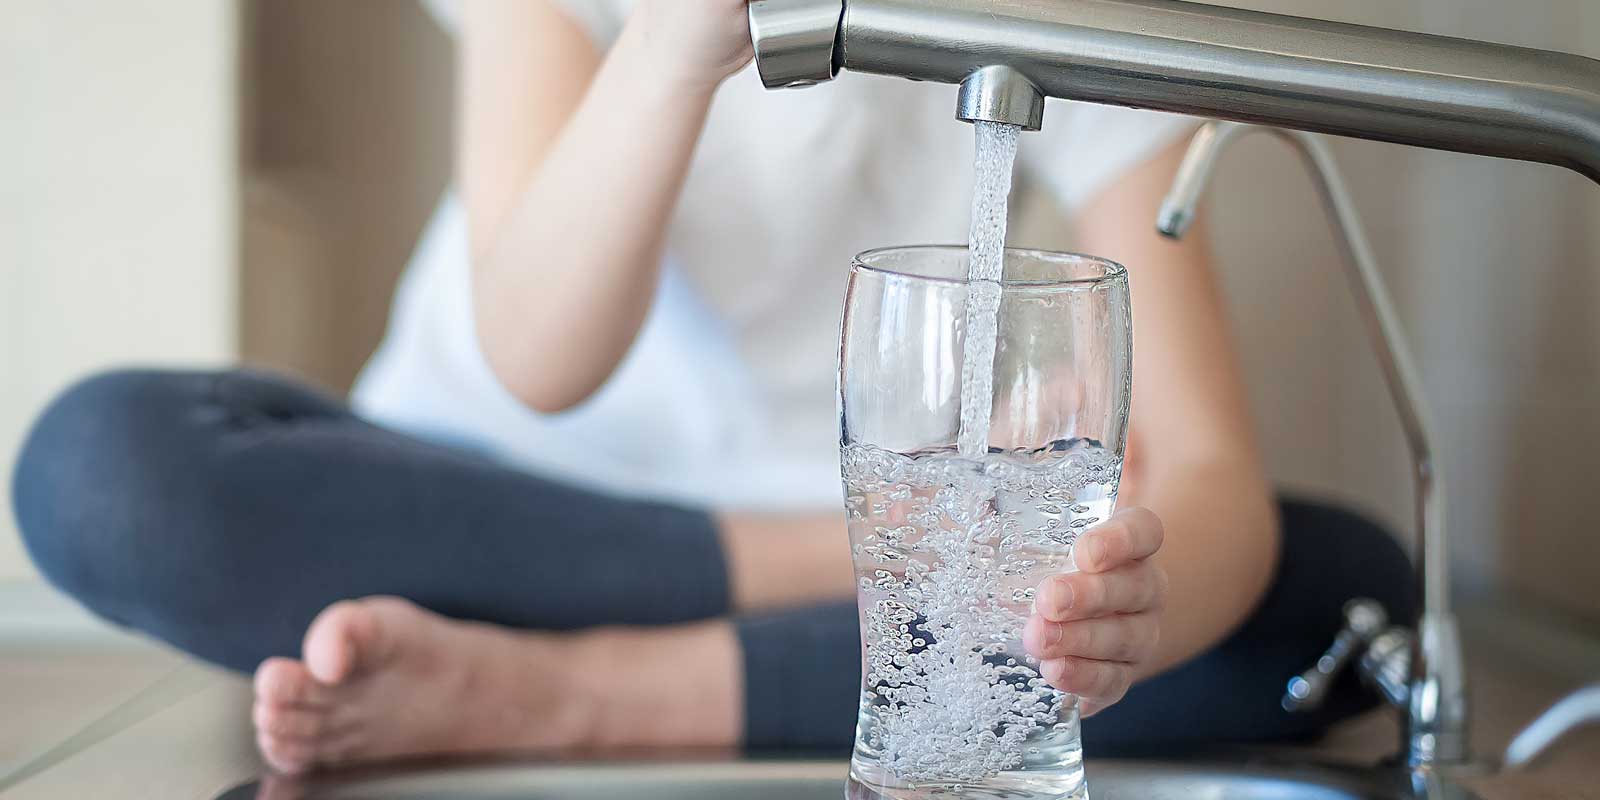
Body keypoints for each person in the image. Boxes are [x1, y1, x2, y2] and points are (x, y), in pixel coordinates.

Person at [12, 0, 1414, 777]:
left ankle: (550, 697)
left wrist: (1126, 602)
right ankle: (731, 637)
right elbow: (539, 361)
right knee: (108, 467)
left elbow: (1210, 473)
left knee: (1344, 597)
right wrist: (672, 44)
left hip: (889, 555)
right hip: (479, 513)